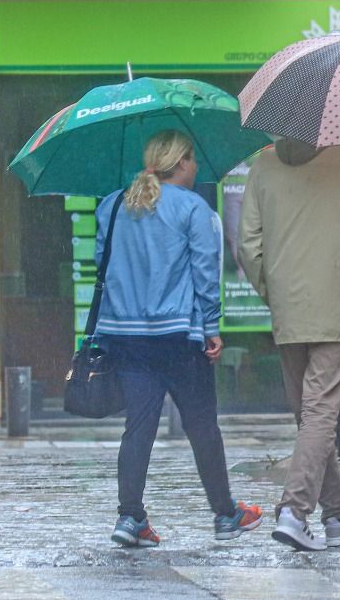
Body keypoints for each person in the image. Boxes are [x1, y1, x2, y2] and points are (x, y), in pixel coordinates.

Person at [97, 129, 264, 548]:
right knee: (202, 425)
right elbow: (205, 274)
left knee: (137, 426)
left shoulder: (112, 206)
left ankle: (130, 517)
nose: (196, 168)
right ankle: (226, 514)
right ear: (183, 162)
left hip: (127, 336)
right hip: (178, 337)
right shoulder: (194, 208)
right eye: (193, 161)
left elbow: (104, 266)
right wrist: (211, 328)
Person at [240, 138, 340, 550]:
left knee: (310, 415)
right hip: (336, 305)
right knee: (321, 412)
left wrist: (276, 293)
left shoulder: (263, 166)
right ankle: (294, 509)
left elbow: (248, 246)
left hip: (289, 308)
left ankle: (338, 516)